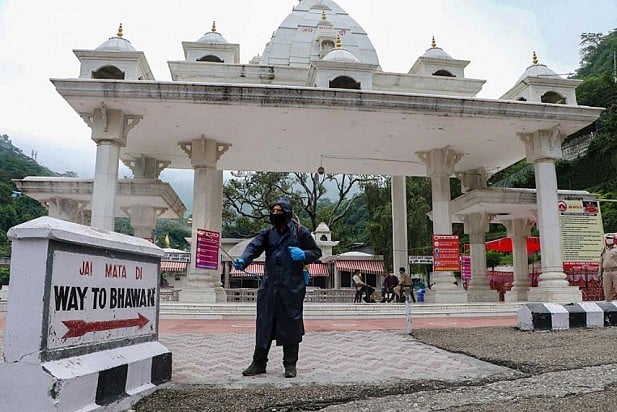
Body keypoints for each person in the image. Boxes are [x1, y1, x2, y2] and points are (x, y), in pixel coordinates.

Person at [233, 198, 322, 378]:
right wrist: (244, 259)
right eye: (273, 211)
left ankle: (290, 365)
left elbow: (317, 252)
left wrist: (303, 254)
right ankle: (258, 363)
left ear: (287, 213)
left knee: (291, 323)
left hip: (291, 288)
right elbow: (253, 247)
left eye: (279, 211)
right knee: (264, 323)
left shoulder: (300, 232)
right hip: (269, 286)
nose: (275, 214)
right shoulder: (267, 233)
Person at [600, 233, 617, 301]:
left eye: (610, 238)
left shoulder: (616, 249)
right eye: (607, 239)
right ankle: (608, 305)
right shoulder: (604, 250)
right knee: (607, 291)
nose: (608, 240)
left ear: (613, 240)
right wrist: (599, 272)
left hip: (615, 271)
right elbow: (601, 261)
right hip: (606, 272)